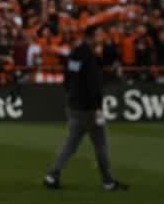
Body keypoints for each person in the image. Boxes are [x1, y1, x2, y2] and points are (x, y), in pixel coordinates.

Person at [44, 26, 128, 191]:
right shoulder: (89, 55)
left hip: (75, 105)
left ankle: (52, 175)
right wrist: (97, 106)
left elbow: (69, 76)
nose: (102, 37)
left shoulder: (77, 52)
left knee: (70, 144)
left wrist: (71, 93)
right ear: (92, 36)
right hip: (90, 108)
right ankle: (108, 182)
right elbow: (93, 83)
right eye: (99, 34)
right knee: (101, 145)